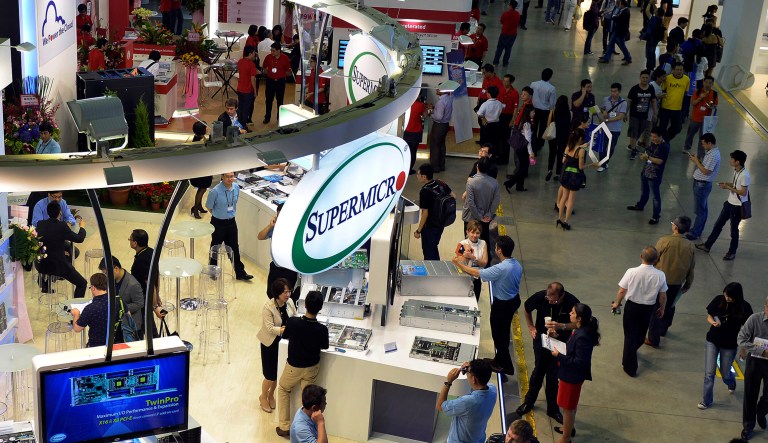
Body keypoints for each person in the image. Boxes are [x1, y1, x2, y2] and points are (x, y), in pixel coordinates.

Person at [453, 236, 523, 376]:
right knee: (502, 332)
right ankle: (498, 360)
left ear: (500, 251)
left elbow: (477, 273)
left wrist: (459, 264)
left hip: (502, 305)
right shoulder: (516, 264)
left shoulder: (501, 268)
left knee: (499, 335)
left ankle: (507, 366)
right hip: (513, 300)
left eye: (496, 247)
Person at [517, 282, 580, 423]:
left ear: (562, 295)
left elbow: (578, 323)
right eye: (548, 299)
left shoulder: (572, 302)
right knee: (538, 372)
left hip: (560, 343)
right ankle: (529, 402)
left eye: (554, 300)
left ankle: (553, 409)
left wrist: (561, 326)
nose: (551, 302)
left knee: (553, 376)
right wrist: (531, 327)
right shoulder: (541, 297)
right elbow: (527, 308)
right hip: (542, 339)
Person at [276, 291, 329, 438]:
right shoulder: (322, 329)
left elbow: (285, 335)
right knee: (307, 398)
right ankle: (308, 428)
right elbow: (325, 346)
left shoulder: (293, 322)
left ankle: (285, 426)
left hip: (293, 367)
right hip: (312, 368)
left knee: (283, 389)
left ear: (304, 305)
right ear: (320, 308)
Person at [611, 246, 668, 377]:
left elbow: (621, 290)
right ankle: (630, 361)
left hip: (632, 307)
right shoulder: (660, 275)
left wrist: (617, 303)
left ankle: (629, 366)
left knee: (630, 335)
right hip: (648, 309)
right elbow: (663, 295)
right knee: (641, 335)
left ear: (641, 256)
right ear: (656, 260)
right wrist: (662, 307)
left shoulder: (631, 272)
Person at [551, 303, 601, 442]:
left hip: (572, 377)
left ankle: (566, 437)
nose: (569, 314)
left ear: (579, 318)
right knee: (569, 405)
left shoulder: (583, 336)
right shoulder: (580, 329)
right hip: (569, 375)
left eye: (572, 313)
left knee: (568, 408)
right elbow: (572, 349)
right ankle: (567, 428)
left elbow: (579, 362)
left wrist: (558, 355)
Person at [699, 283, 753, 410]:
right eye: (725, 294)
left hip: (729, 345)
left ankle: (731, 381)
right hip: (713, 340)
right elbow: (709, 316)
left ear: (737, 297)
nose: (726, 298)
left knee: (725, 373)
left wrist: (743, 348)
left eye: (730, 296)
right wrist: (713, 322)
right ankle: (706, 400)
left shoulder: (744, 308)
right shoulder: (719, 300)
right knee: (709, 373)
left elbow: (747, 330)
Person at [645, 215, 695, 347]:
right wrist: (687, 284)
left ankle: (653, 338)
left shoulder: (664, 241)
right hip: (677, 283)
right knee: (670, 305)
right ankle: (663, 329)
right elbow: (691, 267)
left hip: (661, 282)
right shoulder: (690, 246)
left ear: (675, 227)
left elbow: (653, 259)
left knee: (657, 308)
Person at [696, 150, 750, 261]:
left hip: (737, 207)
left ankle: (732, 252)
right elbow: (736, 185)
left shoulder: (745, 175)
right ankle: (707, 245)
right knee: (718, 225)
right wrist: (726, 183)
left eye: (732, 159)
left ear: (737, 161)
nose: (730, 161)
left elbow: (743, 192)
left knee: (733, 231)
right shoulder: (737, 171)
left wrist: (728, 188)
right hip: (729, 204)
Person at [257, 278, 298, 413]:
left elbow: (295, 316)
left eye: (289, 291)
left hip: (284, 343)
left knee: (278, 372)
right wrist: (284, 330)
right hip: (270, 343)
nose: (288, 294)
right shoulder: (268, 307)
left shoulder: (290, 302)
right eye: (285, 292)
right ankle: (263, 397)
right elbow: (269, 328)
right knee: (270, 375)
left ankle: (271, 395)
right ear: (277, 293)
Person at [206, 172, 253, 281]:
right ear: (222, 177)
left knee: (234, 247)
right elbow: (209, 207)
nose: (230, 179)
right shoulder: (215, 191)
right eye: (227, 176)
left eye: (231, 176)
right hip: (218, 223)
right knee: (215, 247)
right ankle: (212, 271)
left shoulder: (236, 187)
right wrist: (219, 214)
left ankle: (240, 273)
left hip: (231, 222)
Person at [437, 359, 497, 443]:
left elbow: (440, 406)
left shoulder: (467, 402)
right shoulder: (493, 390)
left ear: (474, 379)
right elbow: (483, 375)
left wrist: (448, 381)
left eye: (468, 373)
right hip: (478, 439)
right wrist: (470, 367)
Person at [36, 201, 87, 298]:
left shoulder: (40, 224)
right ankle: (75, 309)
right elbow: (79, 239)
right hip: (58, 266)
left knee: (67, 250)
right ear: (60, 213)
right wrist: (82, 228)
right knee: (82, 283)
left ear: (47, 212)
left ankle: (44, 280)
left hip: (42, 266)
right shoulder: (62, 226)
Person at [736, 295, 768, 440]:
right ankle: (748, 425)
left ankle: (761, 412)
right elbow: (741, 339)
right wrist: (762, 351)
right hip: (755, 361)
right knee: (750, 394)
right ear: (766, 307)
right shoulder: (754, 320)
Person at [626, 127, 670, 224]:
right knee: (644, 191)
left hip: (655, 175)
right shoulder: (653, 144)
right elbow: (648, 154)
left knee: (655, 197)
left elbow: (659, 161)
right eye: (652, 136)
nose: (652, 138)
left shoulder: (665, 147)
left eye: (654, 137)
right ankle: (640, 205)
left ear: (660, 136)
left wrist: (648, 157)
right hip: (646, 172)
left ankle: (656, 216)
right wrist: (645, 157)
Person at [557, 131, 598, 230]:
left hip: (565, 175)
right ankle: (566, 222)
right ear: (580, 139)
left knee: (564, 197)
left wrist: (586, 144)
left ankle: (560, 219)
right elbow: (580, 166)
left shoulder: (568, 146)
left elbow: (563, 161)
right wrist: (592, 165)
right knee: (571, 199)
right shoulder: (581, 151)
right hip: (574, 178)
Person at [258, 203, 299, 300]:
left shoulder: (295, 229)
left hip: (289, 269)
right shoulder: (274, 228)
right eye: (278, 216)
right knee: (271, 293)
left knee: (286, 296)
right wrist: (270, 225)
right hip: (276, 267)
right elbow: (260, 236)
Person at [98, 256, 145, 338]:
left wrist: (120, 307)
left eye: (107, 273)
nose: (106, 276)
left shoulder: (133, 284)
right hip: (116, 324)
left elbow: (139, 303)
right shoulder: (111, 279)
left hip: (130, 326)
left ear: (116, 268)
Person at [415, 164, 455, 260]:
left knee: (429, 251)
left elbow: (425, 213)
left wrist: (418, 230)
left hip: (429, 227)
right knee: (433, 246)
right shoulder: (440, 182)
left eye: (418, 174)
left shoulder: (424, 191)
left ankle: (433, 272)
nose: (417, 176)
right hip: (441, 223)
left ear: (424, 177)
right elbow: (453, 196)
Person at [128, 229, 165, 333]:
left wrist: (155, 306)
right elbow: (156, 275)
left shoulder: (141, 260)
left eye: (130, 239)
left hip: (143, 298)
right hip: (147, 297)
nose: (129, 241)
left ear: (135, 243)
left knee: (146, 327)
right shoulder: (151, 252)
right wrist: (157, 295)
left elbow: (149, 283)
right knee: (147, 326)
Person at [686, 132, 721, 241]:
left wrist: (696, 162)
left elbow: (706, 171)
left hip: (702, 184)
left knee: (700, 210)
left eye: (704, 144)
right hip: (700, 183)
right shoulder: (710, 152)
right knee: (702, 209)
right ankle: (698, 229)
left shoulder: (714, 155)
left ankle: (695, 232)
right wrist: (698, 160)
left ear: (709, 143)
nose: (702, 146)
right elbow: (705, 166)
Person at [462, 157, 500, 248]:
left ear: (477, 167)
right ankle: (485, 259)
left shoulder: (471, 182)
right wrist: (489, 214)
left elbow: (470, 202)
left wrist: (478, 216)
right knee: (484, 240)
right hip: (486, 217)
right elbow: (496, 200)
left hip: (471, 217)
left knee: (469, 242)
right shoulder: (494, 182)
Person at [504, 104, 536, 192]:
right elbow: (528, 140)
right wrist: (531, 153)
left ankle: (520, 186)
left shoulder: (521, 121)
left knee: (522, 167)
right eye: (533, 112)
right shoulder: (527, 124)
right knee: (523, 169)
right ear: (529, 112)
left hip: (518, 147)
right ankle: (509, 183)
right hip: (523, 148)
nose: (534, 113)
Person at [626, 70, 658, 160]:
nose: (645, 79)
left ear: (649, 78)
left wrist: (655, 113)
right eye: (643, 77)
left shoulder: (651, 88)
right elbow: (629, 101)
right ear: (640, 78)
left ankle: (632, 146)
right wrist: (625, 113)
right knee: (633, 133)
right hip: (634, 116)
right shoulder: (634, 89)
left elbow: (653, 100)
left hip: (644, 116)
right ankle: (633, 149)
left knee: (640, 131)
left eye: (646, 78)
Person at [71, 273, 109, 347]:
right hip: (117, 343)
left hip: (96, 346)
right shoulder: (119, 301)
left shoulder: (90, 309)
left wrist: (76, 314)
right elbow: (127, 315)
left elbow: (77, 328)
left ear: (93, 288)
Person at [683, 76, 718, 155]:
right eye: (706, 82)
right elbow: (693, 103)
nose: (707, 84)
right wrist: (700, 98)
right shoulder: (697, 92)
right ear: (703, 82)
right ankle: (686, 147)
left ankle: (701, 154)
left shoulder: (714, 94)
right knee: (690, 134)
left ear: (712, 84)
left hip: (706, 120)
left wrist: (712, 107)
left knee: (703, 138)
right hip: (695, 118)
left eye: (710, 83)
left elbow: (715, 105)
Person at [597, 82, 628, 171]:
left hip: (615, 129)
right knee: (603, 146)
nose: (613, 93)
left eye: (615, 91)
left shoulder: (623, 103)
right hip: (604, 128)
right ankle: (602, 164)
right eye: (611, 91)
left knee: (611, 147)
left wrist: (607, 120)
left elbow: (620, 116)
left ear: (619, 91)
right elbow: (601, 108)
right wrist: (604, 112)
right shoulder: (605, 99)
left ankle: (605, 162)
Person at [456, 221, 488, 301]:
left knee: (475, 300)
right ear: (467, 232)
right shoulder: (461, 244)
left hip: (477, 278)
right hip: (464, 278)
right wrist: (466, 254)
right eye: (472, 232)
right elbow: (460, 264)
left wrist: (473, 257)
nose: (475, 235)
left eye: (477, 233)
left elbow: (484, 263)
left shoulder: (483, 243)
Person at [658, 62, 690, 142]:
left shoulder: (686, 79)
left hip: (677, 109)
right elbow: (663, 90)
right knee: (662, 127)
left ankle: (665, 139)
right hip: (665, 107)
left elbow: (686, 94)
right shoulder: (667, 78)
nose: (679, 71)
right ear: (673, 70)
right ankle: (659, 143)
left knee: (677, 128)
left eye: (681, 70)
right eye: (677, 70)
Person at [262, 42, 292, 124]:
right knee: (268, 100)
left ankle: (279, 118)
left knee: (280, 100)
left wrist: (283, 73)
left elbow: (288, 71)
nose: (272, 52)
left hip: (280, 81)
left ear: (279, 50)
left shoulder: (285, 58)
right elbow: (264, 67)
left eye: (273, 51)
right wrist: (267, 73)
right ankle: (267, 117)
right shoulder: (268, 57)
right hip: (270, 81)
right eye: (271, 50)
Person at [189, 122, 213, 219]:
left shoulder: (200, 139)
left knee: (202, 189)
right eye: (206, 126)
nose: (208, 128)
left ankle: (198, 206)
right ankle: (195, 208)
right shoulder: (199, 142)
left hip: (201, 169)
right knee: (202, 188)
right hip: (201, 171)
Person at [530, 68, 557, 156]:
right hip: (545, 111)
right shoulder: (552, 88)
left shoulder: (533, 84)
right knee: (542, 128)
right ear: (550, 77)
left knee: (533, 128)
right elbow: (552, 103)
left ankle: (533, 144)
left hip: (534, 109)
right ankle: (540, 144)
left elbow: (530, 95)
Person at [545, 95, 571, 181]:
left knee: (552, 153)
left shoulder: (553, 111)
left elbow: (548, 124)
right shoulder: (570, 113)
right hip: (563, 136)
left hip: (553, 136)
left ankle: (549, 170)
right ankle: (558, 173)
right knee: (560, 154)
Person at [598, 0, 632, 65]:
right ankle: (606, 58)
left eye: (620, 4)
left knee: (622, 46)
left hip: (620, 32)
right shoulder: (622, 10)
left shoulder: (626, 12)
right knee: (611, 44)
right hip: (616, 30)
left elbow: (620, 20)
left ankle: (628, 58)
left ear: (623, 5)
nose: (619, 4)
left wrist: (614, 17)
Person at [428, 88, 453, 172]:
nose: (436, 90)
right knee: (441, 145)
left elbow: (438, 117)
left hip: (439, 126)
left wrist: (431, 113)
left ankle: (435, 167)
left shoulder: (441, 102)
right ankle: (441, 165)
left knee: (435, 146)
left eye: (438, 89)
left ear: (443, 91)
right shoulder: (449, 98)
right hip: (445, 125)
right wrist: (435, 108)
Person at [498, 74, 519, 165]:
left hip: (508, 117)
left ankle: (505, 158)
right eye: (504, 80)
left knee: (506, 139)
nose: (504, 83)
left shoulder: (515, 93)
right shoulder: (501, 90)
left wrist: (512, 120)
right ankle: (499, 155)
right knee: (499, 137)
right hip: (500, 116)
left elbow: (515, 108)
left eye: (507, 81)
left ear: (511, 82)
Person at [237, 46, 261, 126]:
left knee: (240, 108)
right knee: (246, 109)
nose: (255, 55)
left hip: (240, 89)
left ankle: (239, 124)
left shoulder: (240, 61)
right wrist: (255, 91)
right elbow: (252, 79)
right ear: (250, 54)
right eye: (254, 53)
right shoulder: (251, 64)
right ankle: (243, 126)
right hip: (248, 90)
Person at [404, 94, 427, 173]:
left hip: (407, 130)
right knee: (413, 151)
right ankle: (410, 170)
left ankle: (405, 168)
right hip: (416, 131)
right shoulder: (421, 105)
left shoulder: (407, 104)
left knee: (406, 150)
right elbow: (424, 116)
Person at [493, 1, 520, 67]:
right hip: (513, 34)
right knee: (508, 49)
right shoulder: (517, 14)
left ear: (510, 6)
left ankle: (496, 62)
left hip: (505, 33)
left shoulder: (506, 14)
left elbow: (501, 21)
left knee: (500, 48)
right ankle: (505, 62)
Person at [477, 86, 504, 154]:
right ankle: (494, 157)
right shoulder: (499, 103)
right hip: (496, 125)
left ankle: (485, 158)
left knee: (485, 143)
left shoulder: (485, 104)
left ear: (489, 94)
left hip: (487, 125)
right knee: (494, 142)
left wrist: (483, 118)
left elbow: (479, 113)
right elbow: (503, 107)